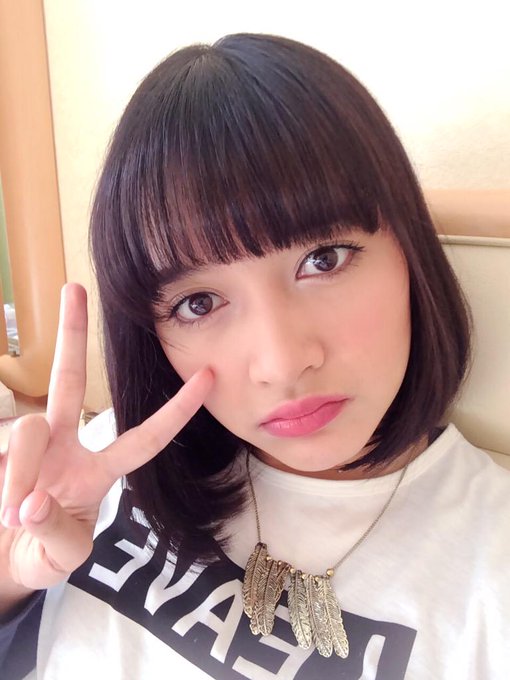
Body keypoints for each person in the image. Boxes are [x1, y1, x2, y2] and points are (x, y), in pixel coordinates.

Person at [0, 33, 508, 680]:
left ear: (409, 249)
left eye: (323, 259)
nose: (281, 363)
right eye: (199, 302)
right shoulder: (103, 463)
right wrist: (11, 581)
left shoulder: (492, 567)